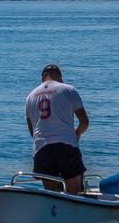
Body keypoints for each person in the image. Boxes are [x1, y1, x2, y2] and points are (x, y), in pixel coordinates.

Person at [25, 64, 90, 194]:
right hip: (65, 145)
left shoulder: (30, 97)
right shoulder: (68, 89)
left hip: (42, 149)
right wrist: (77, 133)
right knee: (74, 193)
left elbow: (32, 131)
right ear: (60, 77)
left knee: (51, 196)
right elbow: (84, 120)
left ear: (43, 78)